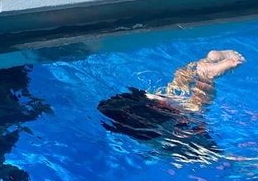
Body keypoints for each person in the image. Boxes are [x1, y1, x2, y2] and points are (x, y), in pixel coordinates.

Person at [98, 49, 244, 159]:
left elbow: (222, 157)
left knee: (197, 108)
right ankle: (205, 62)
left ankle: (207, 75)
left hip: (138, 124)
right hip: (130, 102)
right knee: (173, 91)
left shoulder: (185, 151)